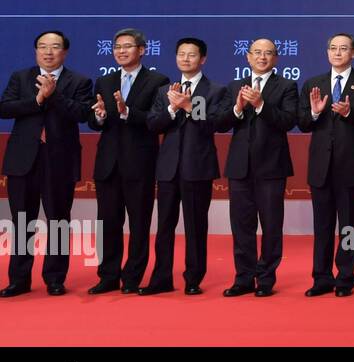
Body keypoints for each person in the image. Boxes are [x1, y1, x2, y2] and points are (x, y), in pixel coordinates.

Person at [0, 30, 93, 297]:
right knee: (20, 222)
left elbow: (83, 114)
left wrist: (54, 95)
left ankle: (55, 278)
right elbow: (5, 108)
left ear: (65, 51)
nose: (48, 52)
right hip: (24, 159)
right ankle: (18, 279)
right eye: (42, 47)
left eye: (54, 47)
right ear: (35, 51)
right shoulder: (21, 77)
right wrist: (38, 99)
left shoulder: (80, 81)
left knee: (58, 221)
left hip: (59, 160)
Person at [142, 38, 231, 296]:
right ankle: (161, 278)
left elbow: (215, 124)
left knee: (195, 226)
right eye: (181, 54)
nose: (186, 59)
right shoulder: (164, 91)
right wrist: (172, 106)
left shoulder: (215, 90)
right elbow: (153, 125)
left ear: (202, 59)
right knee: (164, 226)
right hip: (169, 168)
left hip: (198, 167)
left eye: (191, 55)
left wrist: (189, 107)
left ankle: (193, 278)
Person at [298, 33, 354, 297]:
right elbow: (302, 124)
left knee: (348, 226)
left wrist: (350, 113)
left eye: (343, 48)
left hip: (350, 167)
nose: (337, 53)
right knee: (322, 225)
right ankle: (321, 277)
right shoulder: (314, 83)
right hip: (320, 168)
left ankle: (345, 276)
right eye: (333, 48)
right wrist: (314, 112)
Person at [215, 38, 299, 298]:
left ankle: (265, 278)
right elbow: (219, 122)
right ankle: (243, 277)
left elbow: (288, 121)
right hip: (240, 167)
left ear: (276, 58)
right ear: (248, 57)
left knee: (272, 225)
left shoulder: (286, 86)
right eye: (257, 53)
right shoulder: (234, 87)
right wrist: (238, 108)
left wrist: (262, 104)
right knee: (242, 226)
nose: (262, 57)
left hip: (272, 167)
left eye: (268, 53)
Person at [87, 28, 169, 295]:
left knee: (138, 223)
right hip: (108, 163)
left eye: (127, 46)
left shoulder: (158, 80)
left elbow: (156, 120)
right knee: (108, 223)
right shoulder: (104, 81)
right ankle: (108, 275)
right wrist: (99, 116)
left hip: (140, 163)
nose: (120, 51)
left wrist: (127, 112)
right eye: (117, 47)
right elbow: (95, 121)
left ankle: (132, 276)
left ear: (142, 50)